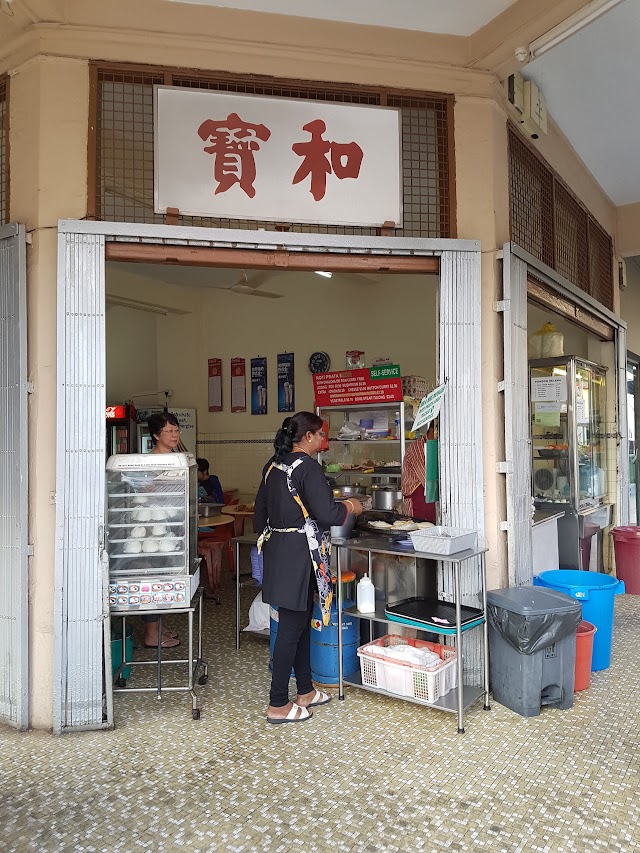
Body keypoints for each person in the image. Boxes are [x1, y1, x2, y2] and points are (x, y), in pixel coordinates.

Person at [254, 411, 363, 724]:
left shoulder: (272, 465)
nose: (323, 440)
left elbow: (259, 515)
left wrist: (279, 538)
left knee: (299, 623)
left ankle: (304, 691)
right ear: (309, 437)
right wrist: (352, 506)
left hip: (280, 551)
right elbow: (328, 513)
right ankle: (277, 704)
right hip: (300, 556)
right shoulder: (308, 468)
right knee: (290, 629)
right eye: (321, 435)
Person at [143, 412, 182, 648]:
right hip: (157, 530)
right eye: (168, 431)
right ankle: (151, 634)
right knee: (156, 578)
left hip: (174, 527)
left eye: (176, 430)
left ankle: (159, 627)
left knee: (168, 578)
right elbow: (144, 494)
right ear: (156, 435)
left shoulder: (175, 457)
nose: (174, 434)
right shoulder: (150, 462)